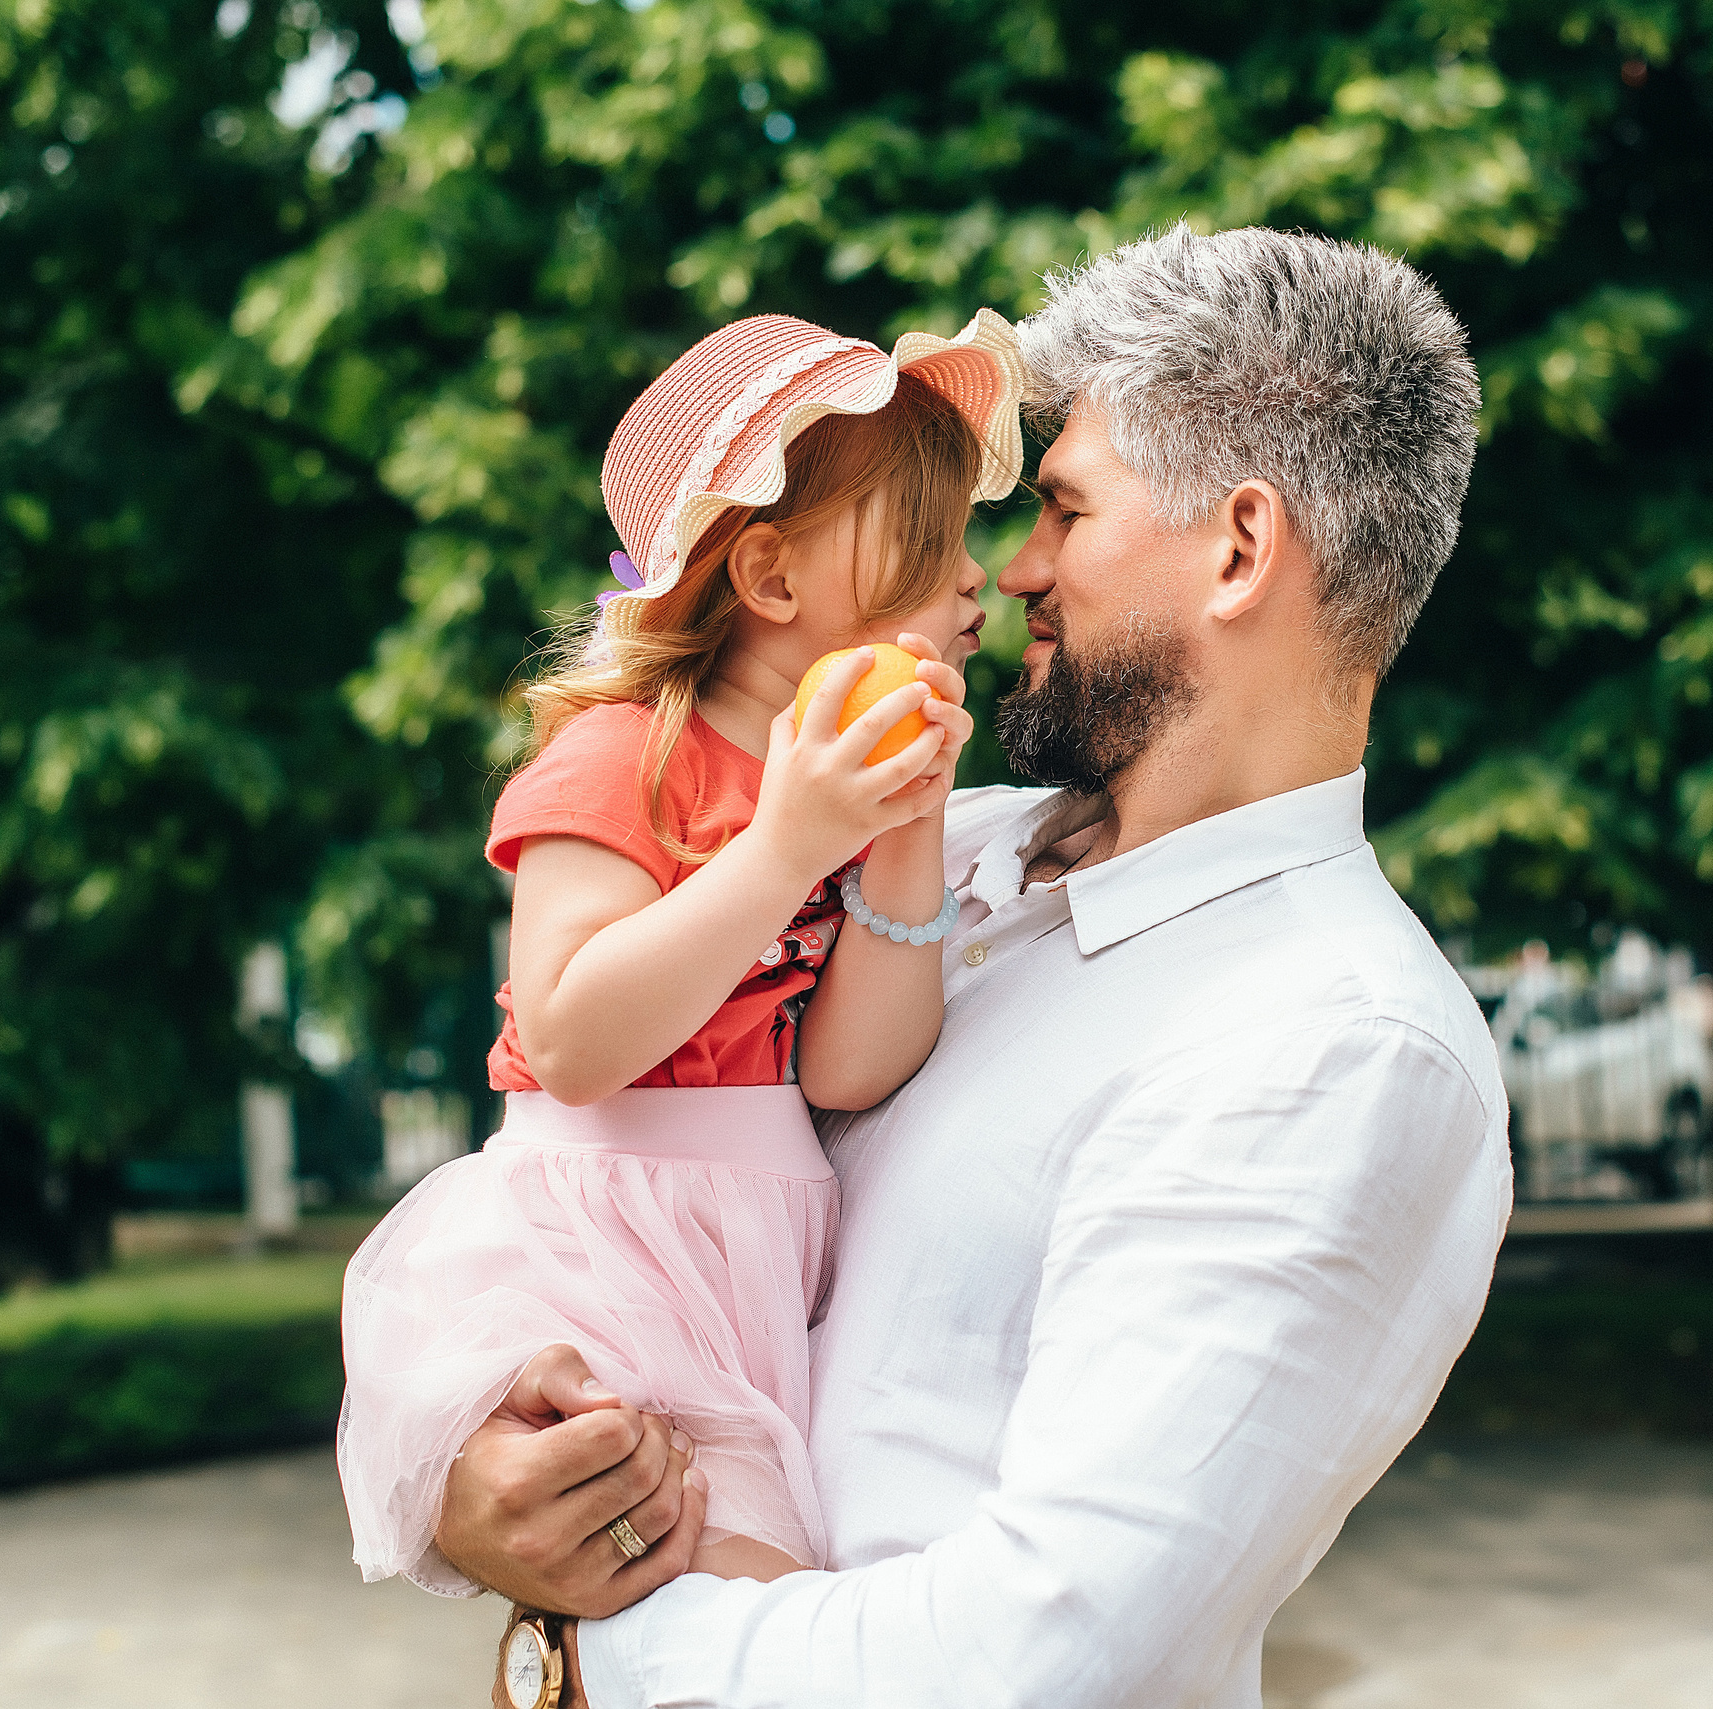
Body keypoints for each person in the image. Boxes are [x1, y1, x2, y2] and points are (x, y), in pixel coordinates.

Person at [436, 224, 1514, 1709]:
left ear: (1241, 548)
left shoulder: (1332, 1043)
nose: (1010, 571)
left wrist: (580, 1645)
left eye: (1064, 509)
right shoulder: (932, 842)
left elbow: (1032, 1658)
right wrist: (490, 1474)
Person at [336, 309, 1028, 1603]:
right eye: (932, 541)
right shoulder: (623, 758)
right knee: (735, 1597)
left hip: (753, 1269)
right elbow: (575, 1042)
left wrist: (904, 827)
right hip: (606, 1256)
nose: (978, 577)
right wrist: (781, 847)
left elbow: (849, 1071)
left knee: (767, 1587)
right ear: (770, 580)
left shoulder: (841, 789)